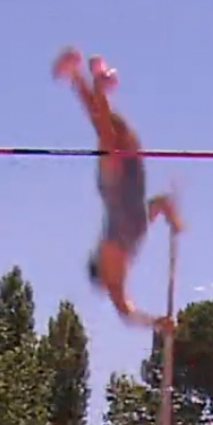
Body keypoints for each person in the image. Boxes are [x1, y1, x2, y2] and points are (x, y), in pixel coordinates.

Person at [53, 45, 182, 328]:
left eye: (111, 270)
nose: (119, 270)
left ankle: (93, 84)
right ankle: (80, 76)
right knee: (111, 128)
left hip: (113, 187)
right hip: (133, 174)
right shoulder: (135, 237)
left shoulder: (116, 252)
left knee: (107, 135)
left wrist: (155, 323)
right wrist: (174, 218)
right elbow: (159, 204)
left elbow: (124, 310)